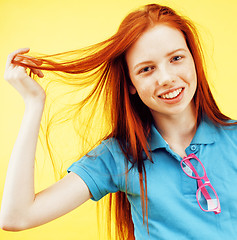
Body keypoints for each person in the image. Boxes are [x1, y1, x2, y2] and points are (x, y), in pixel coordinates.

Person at [0, 3, 237, 240]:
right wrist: (33, 103)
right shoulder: (119, 156)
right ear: (131, 84)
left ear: (194, 59)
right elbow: (16, 217)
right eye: (146, 69)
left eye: (176, 58)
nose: (166, 78)